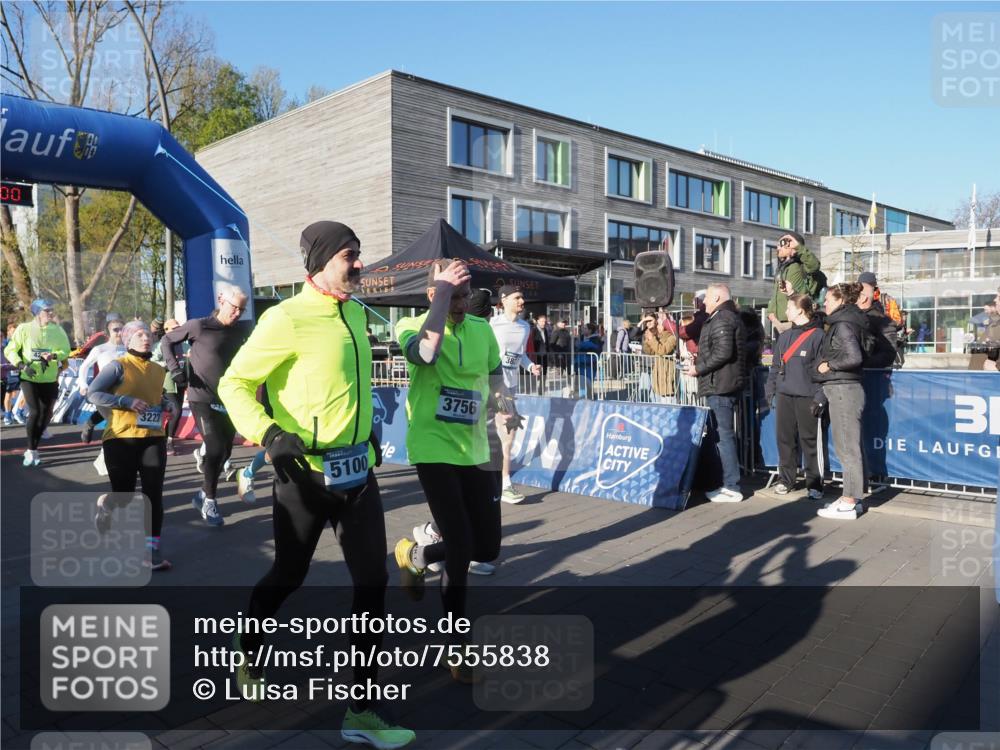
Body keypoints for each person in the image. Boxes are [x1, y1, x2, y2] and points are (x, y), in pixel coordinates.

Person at [218, 221, 414, 747]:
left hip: (358, 474)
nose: (359, 263)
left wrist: (368, 432)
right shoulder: (287, 317)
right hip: (303, 476)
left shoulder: (354, 313)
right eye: (350, 255)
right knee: (289, 574)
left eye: (359, 253)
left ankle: (362, 713)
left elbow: (348, 387)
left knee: (372, 584)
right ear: (321, 263)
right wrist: (267, 432)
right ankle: (249, 646)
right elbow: (232, 382)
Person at [392, 259, 506, 683]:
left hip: (475, 448)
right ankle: (457, 648)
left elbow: (494, 376)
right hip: (432, 447)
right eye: (451, 295)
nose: (460, 303)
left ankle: (417, 553)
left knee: (487, 548)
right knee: (460, 546)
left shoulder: (481, 330)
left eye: (463, 295)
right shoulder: (409, 325)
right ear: (433, 294)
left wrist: (505, 405)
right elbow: (426, 353)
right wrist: (440, 296)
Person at [87, 321, 173, 571]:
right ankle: (108, 504)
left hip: (153, 437)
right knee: (124, 495)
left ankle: (152, 551)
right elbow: (94, 393)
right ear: (127, 340)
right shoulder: (118, 366)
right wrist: (125, 401)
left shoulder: (159, 370)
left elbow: (156, 396)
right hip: (121, 437)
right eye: (138, 334)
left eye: (147, 333)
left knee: (153, 494)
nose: (145, 337)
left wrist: (167, 404)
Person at [161, 283, 249, 527]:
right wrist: (176, 370)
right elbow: (166, 342)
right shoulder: (199, 325)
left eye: (241, 310)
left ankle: (201, 494)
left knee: (225, 453)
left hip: (229, 399)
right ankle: (210, 500)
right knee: (216, 447)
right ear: (222, 300)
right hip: (202, 399)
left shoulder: (240, 330)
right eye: (234, 308)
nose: (237, 313)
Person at [684, 284, 746, 502]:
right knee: (720, 436)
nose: (704, 303)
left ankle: (732, 486)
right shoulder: (723, 317)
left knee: (724, 437)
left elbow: (723, 352)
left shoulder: (723, 318)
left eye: (708, 298)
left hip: (721, 386)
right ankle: (725, 483)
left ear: (718, 297)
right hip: (719, 384)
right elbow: (719, 350)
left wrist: (699, 368)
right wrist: (700, 360)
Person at [814, 283, 868, 521]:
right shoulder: (845, 322)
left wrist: (829, 365)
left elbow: (853, 357)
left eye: (828, 299)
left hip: (844, 389)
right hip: (842, 388)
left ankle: (849, 501)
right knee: (847, 446)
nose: (824, 302)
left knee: (848, 447)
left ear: (840, 301)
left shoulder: (843, 324)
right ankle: (850, 496)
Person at [764, 294, 825, 499]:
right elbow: (775, 367)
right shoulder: (784, 336)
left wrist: (820, 396)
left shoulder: (818, 335)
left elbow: (825, 370)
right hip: (784, 395)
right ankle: (786, 479)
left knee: (810, 441)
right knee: (785, 439)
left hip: (808, 395)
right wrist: (770, 390)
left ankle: (814, 484)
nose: (786, 312)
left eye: (789, 307)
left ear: (800, 310)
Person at [489, 286, 541, 503]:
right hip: (493, 385)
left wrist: (530, 367)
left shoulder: (524, 327)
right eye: (517, 297)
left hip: (511, 387)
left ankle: (500, 480)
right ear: (504, 300)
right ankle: (504, 483)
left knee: (507, 435)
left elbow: (519, 356)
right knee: (507, 430)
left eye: (522, 298)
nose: (522, 301)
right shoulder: (492, 324)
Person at [3, 299, 71, 466]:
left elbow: (65, 350)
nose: (51, 313)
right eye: (47, 311)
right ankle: (32, 450)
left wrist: (54, 356)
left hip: (49, 378)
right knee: (34, 411)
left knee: (46, 413)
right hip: (29, 376)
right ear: (37, 313)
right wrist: (21, 365)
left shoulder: (57, 330)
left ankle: (34, 444)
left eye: (51, 310)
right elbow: (10, 349)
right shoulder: (24, 329)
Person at [77, 318, 126, 443]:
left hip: (123, 389)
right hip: (102, 390)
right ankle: (109, 452)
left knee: (118, 415)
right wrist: (83, 385)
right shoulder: (100, 349)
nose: (119, 332)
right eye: (116, 330)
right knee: (113, 420)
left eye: (122, 329)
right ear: (108, 332)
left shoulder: (129, 348)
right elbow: (84, 366)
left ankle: (90, 422)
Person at [766, 231, 822, 335]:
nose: (778, 248)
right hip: (778, 323)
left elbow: (814, 265)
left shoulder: (801, 265)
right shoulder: (782, 268)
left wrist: (798, 248)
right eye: (778, 245)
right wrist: (771, 313)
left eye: (782, 244)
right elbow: (776, 294)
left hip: (796, 322)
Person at [151, 318, 188, 455]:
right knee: (176, 410)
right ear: (166, 330)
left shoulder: (184, 345)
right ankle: (168, 442)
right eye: (174, 328)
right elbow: (152, 362)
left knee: (176, 414)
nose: (178, 330)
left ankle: (167, 440)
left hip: (181, 383)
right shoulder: (161, 345)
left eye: (179, 327)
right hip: (167, 383)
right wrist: (167, 366)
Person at [856, 275, 898, 369]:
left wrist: (862, 363)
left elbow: (888, 353)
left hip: (872, 372)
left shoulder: (886, 301)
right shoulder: (852, 313)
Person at [641, 315, 677, 403]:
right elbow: (650, 352)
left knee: (668, 403)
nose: (657, 326)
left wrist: (652, 339)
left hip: (667, 374)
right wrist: (647, 340)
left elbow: (662, 351)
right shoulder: (657, 337)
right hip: (658, 375)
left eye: (659, 324)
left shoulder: (672, 337)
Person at [2, 322, 21, 426]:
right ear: (8, 332)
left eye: (16, 332)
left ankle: (16, 412)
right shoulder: (5, 343)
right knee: (9, 393)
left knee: (17, 393)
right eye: (13, 332)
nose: (14, 334)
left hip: (19, 369)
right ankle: (7, 415)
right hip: (8, 370)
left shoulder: (20, 342)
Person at [530, 313, 551, 395]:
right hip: (537, 355)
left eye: (544, 321)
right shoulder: (534, 330)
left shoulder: (545, 330)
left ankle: (541, 390)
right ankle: (533, 389)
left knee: (544, 373)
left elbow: (546, 342)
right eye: (542, 321)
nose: (543, 323)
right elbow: (532, 343)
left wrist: (548, 352)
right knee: (536, 373)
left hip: (544, 355)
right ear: (538, 321)